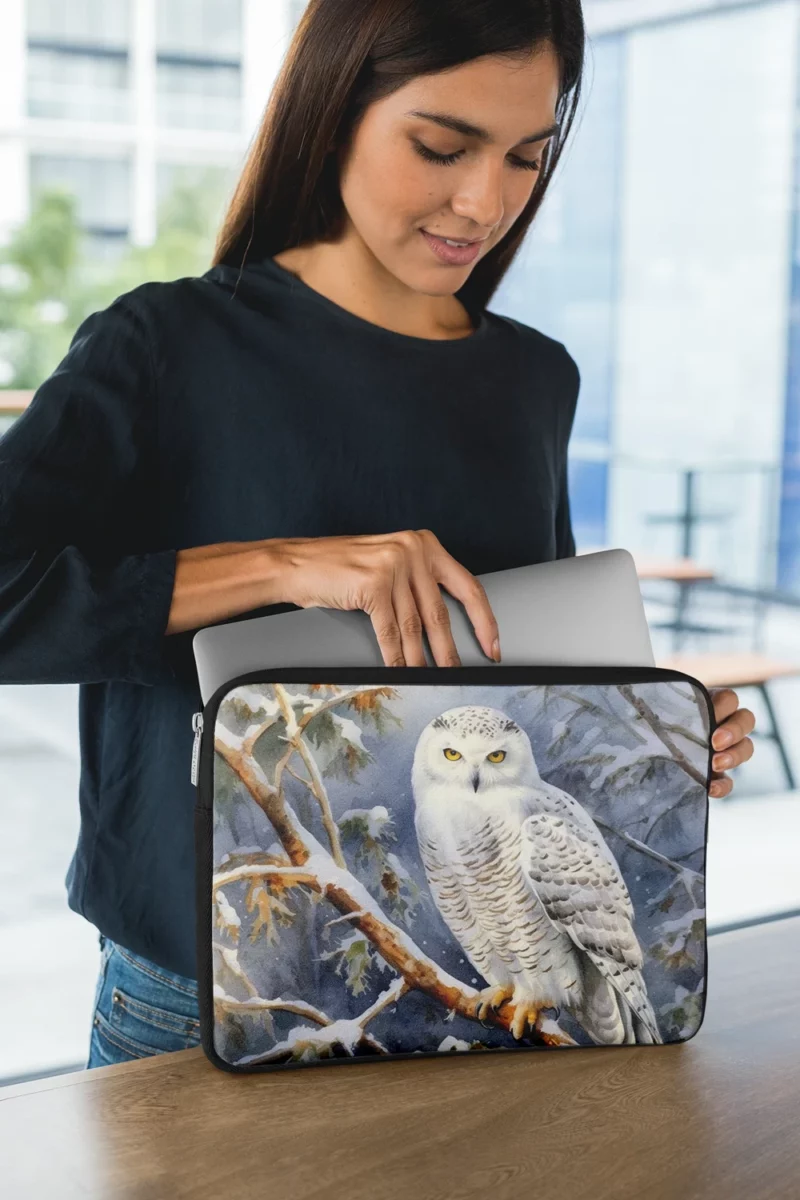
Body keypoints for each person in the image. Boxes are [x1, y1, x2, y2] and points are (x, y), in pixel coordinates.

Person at [0, 0, 755, 1070]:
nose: (482, 201)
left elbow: (517, 674)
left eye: (524, 158)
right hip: (196, 1000)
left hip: (479, 1006)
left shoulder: (534, 379)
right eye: (440, 147)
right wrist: (289, 567)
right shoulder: (164, 344)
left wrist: (660, 734)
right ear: (333, 108)